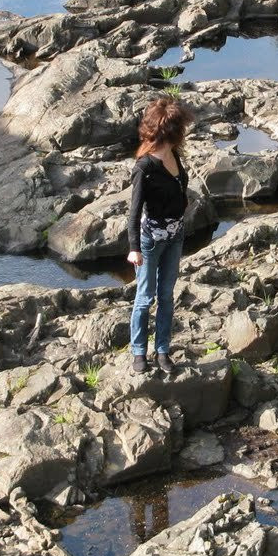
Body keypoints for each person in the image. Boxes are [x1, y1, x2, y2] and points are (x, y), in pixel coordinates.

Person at [127, 97, 193, 374]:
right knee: (145, 297)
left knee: (166, 295)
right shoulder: (145, 167)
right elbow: (134, 211)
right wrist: (134, 248)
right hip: (150, 240)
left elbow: (179, 187)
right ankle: (139, 352)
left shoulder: (174, 155)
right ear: (172, 131)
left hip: (175, 235)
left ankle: (162, 351)